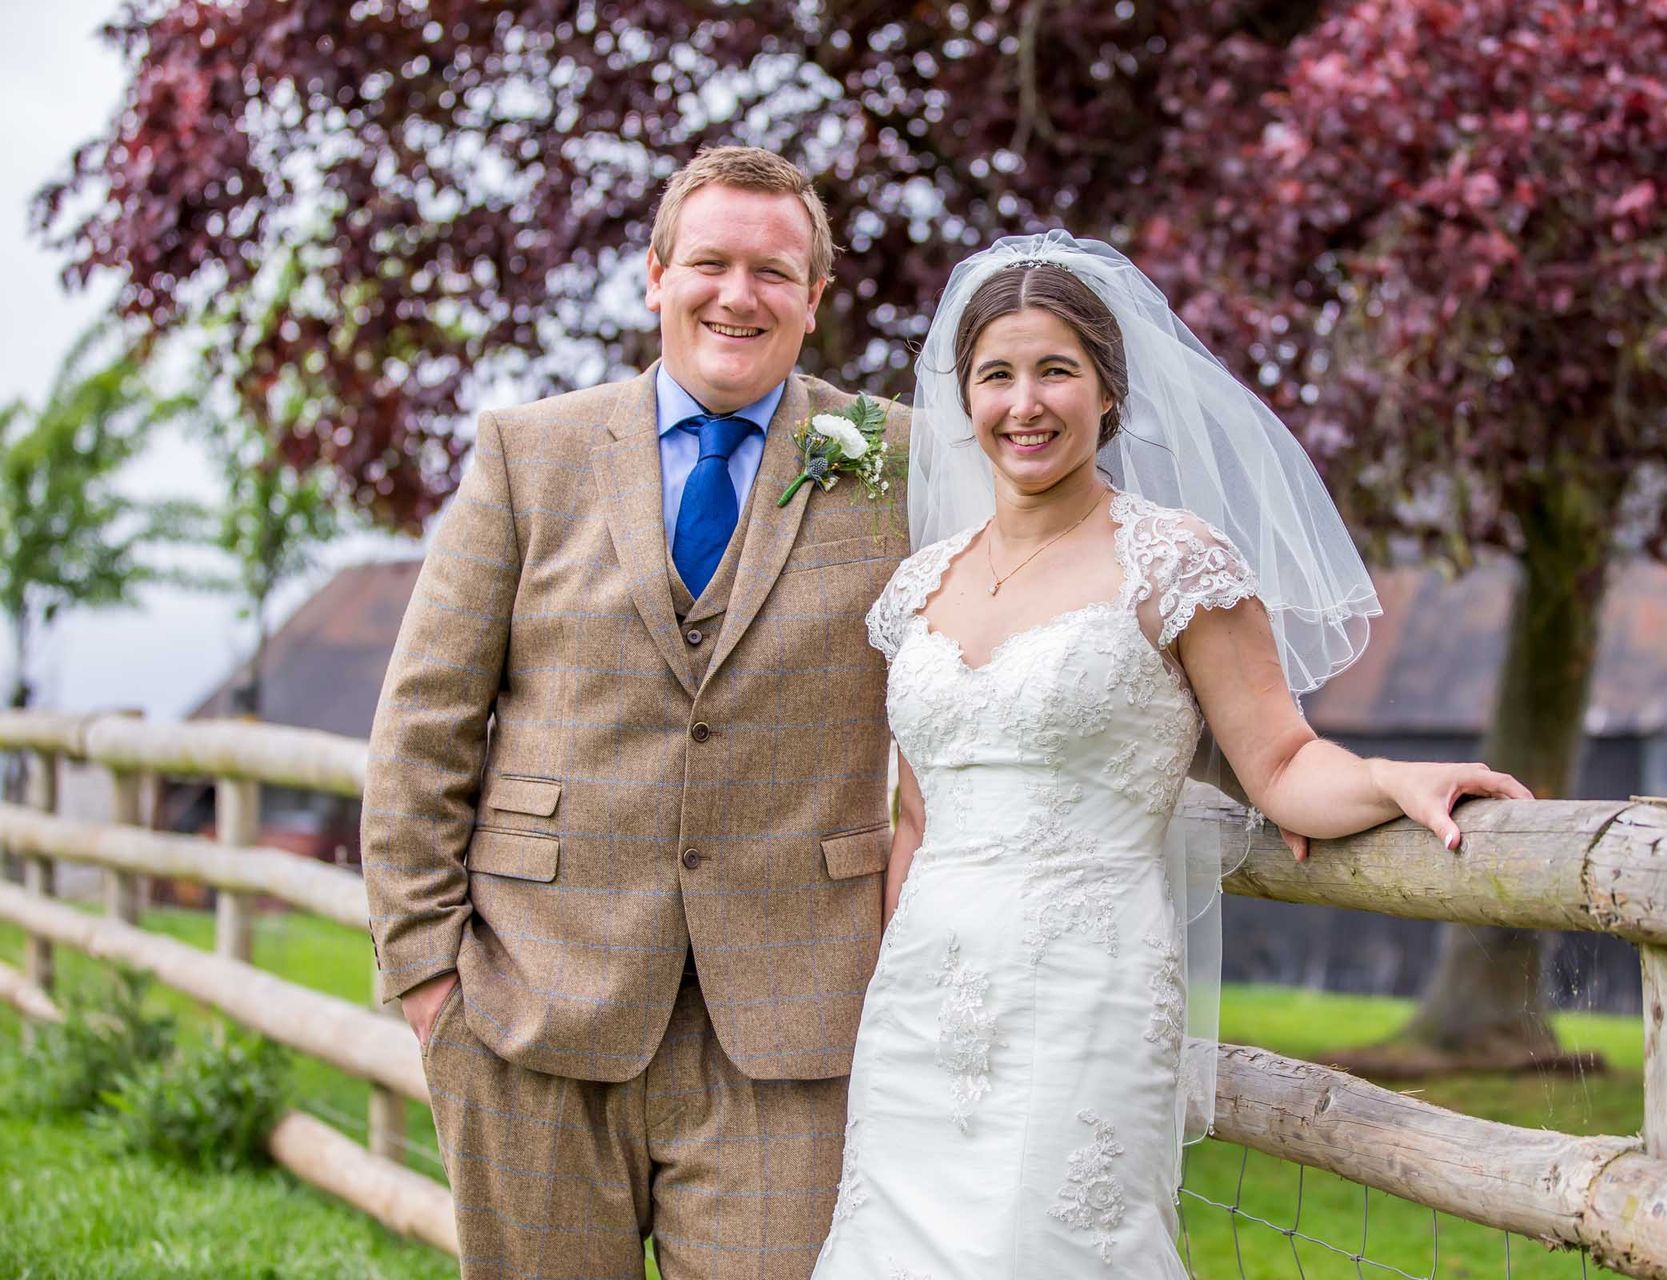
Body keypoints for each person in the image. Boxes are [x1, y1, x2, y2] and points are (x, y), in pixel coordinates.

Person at [810, 234, 1531, 1277]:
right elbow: (916, 819)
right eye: (996, 374)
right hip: (921, 1006)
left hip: (1083, 992)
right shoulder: (919, 586)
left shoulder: (1173, 561)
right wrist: (890, 993)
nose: (1026, 402)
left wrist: (1389, 779)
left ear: (1109, 388)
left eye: (1056, 369)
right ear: (964, 396)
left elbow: (1280, 759)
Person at [361, 146, 911, 1279]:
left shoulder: (896, 461)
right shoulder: (531, 452)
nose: (737, 293)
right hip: (533, 1001)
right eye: (709, 260)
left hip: (792, 1019)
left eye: (773, 270)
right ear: (655, 276)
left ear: (815, 299)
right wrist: (428, 981)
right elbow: (426, 722)